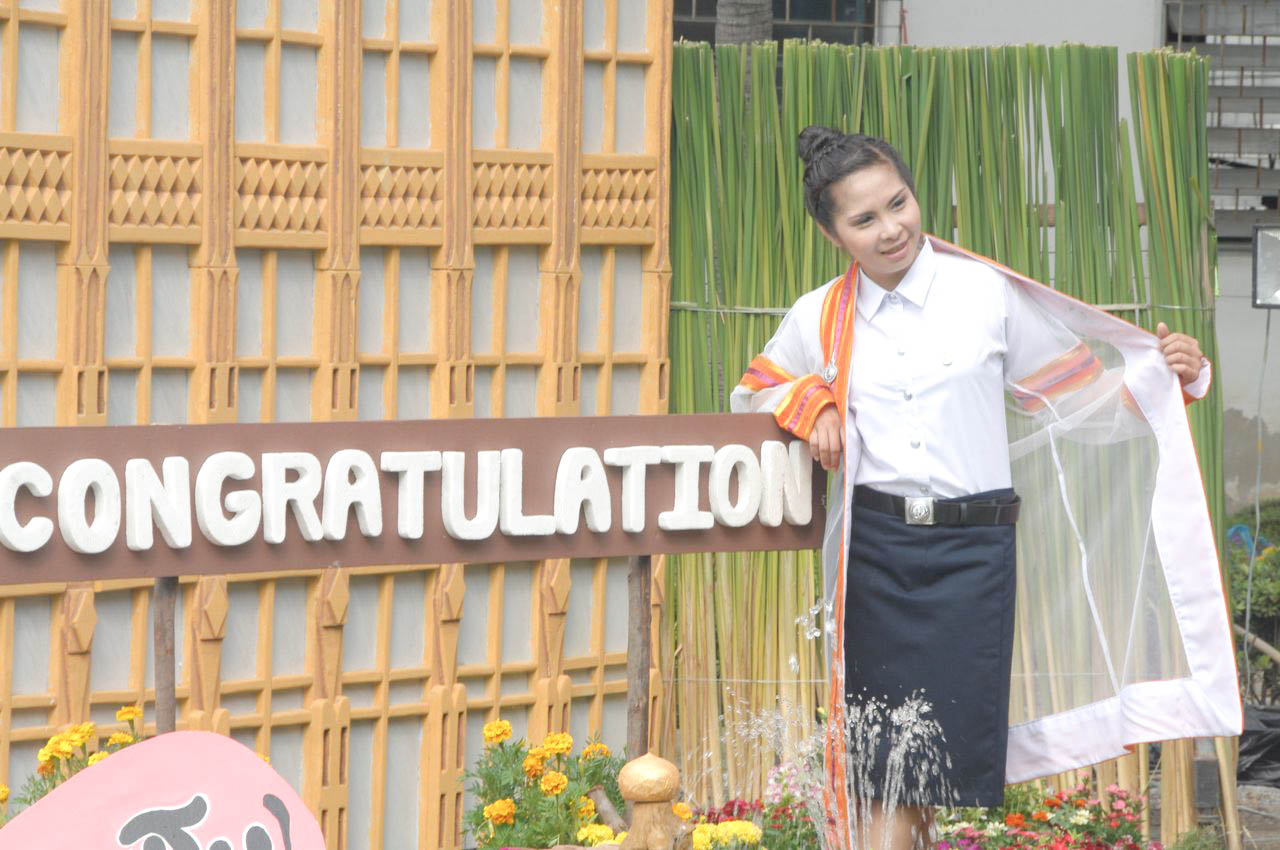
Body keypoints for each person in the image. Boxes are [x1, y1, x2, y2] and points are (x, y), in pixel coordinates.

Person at [730, 127, 1240, 850]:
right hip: (875, 556)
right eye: (864, 219)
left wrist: (1167, 382)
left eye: (898, 203)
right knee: (886, 771)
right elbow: (756, 391)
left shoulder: (984, 293)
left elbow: (1079, 402)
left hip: (975, 556)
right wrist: (813, 404)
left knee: (937, 773)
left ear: (914, 194)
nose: (891, 229)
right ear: (831, 233)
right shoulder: (818, 316)